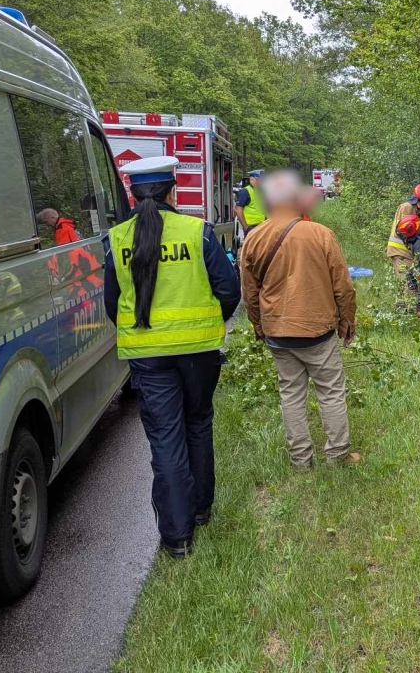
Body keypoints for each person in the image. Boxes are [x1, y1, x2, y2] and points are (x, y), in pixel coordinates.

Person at [103, 156, 240, 559]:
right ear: (172, 189)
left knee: (166, 439)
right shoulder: (198, 232)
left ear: (132, 192)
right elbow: (228, 289)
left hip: (148, 357)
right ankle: (200, 511)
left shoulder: (117, 239)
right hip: (199, 353)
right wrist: (210, 322)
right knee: (198, 424)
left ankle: (176, 538)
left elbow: (113, 303)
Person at [240, 170, 359, 468]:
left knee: (291, 394)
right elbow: (343, 286)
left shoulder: (254, 238)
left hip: (278, 333)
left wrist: (258, 326)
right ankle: (337, 456)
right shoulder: (321, 233)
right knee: (330, 392)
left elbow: (249, 292)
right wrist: (347, 321)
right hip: (317, 331)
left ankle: (300, 461)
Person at [385, 183, 420, 286]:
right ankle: (407, 302)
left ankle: (405, 302)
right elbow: (405, 231)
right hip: (400, 252)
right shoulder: (407, 207)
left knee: (411, 285)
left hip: (406, 253)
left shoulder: (415, 210)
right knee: (409, 286)